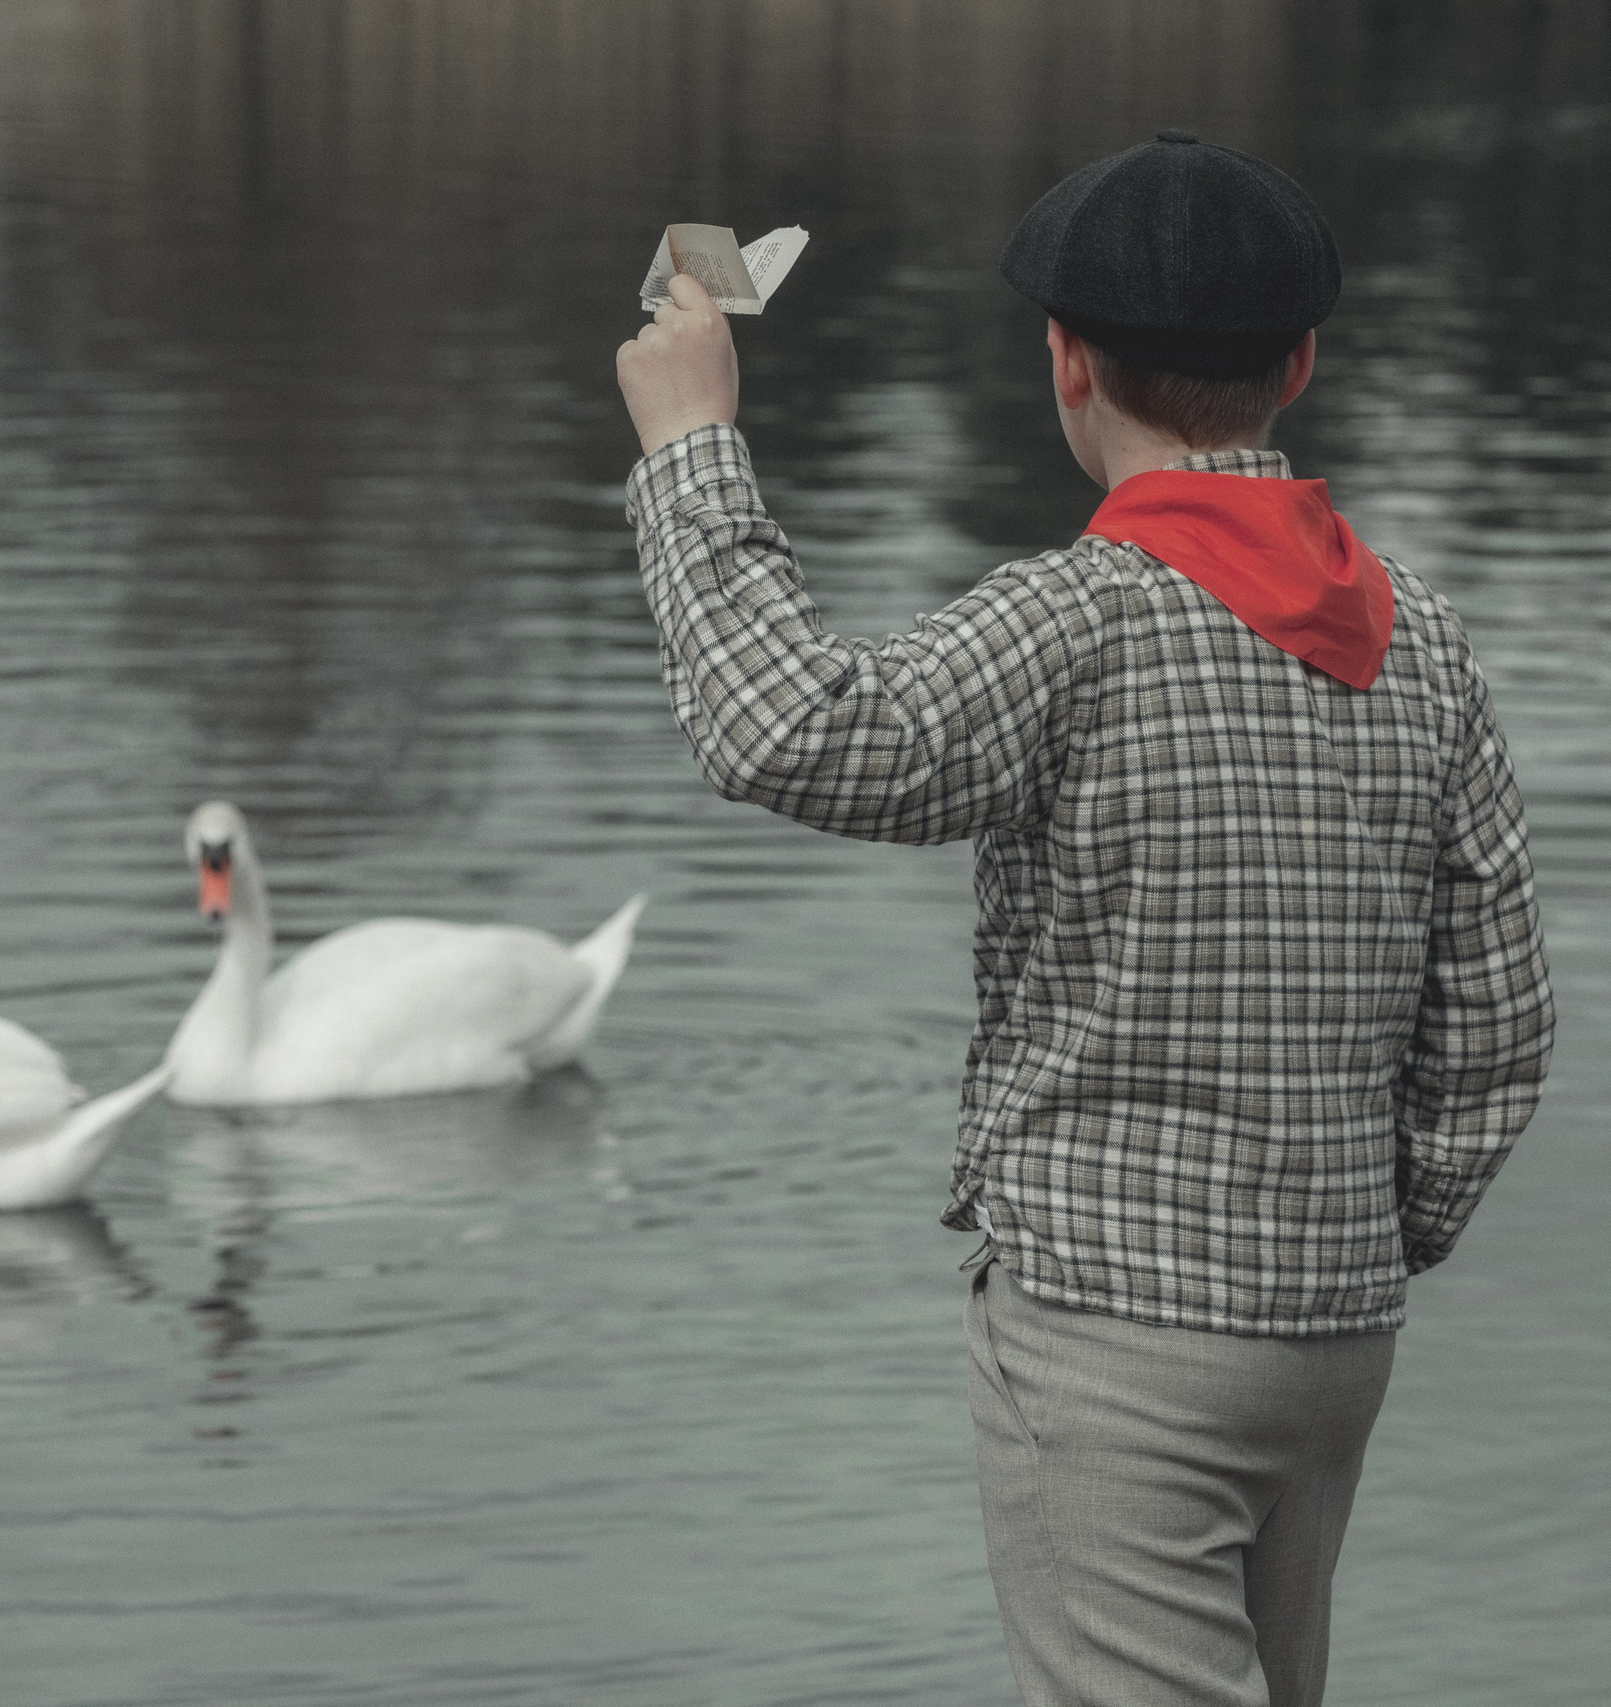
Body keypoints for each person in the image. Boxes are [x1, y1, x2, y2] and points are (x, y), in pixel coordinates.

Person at [613, 132, 1553, 1707]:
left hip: (1116, 1332)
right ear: (1300, 365)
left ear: (1065, 363)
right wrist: (1380, 1230)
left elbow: (786, 731)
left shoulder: (1074, 621)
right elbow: (1500, 1028)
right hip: (1336, 1337)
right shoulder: (1428, 644)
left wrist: (693, 444)